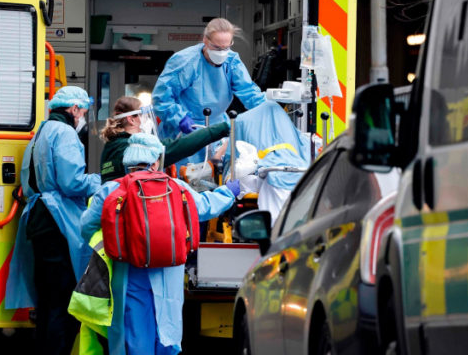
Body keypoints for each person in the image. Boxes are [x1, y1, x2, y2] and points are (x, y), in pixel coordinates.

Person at [81, 133, 241, 354]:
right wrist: (228, 192)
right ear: (156, 161)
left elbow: (86, 226)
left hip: (128, 271)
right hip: (168, 269)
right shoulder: (175, 186)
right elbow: (204, 207)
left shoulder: (111, 190)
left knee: (134, 332)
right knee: (167, 326)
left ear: (127, 160)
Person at [5, 86, 103, 355]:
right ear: (74, 109)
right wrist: (102, 182)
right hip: (57, 222)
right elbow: (72, 182)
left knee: (47, 303)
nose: (83, 117)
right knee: (63, 303)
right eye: (83, 112)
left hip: (38, 220)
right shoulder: (65, 133)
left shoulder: (40, 132)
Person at [152, 18, 266, 165]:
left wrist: (267, 110)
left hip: (217, 126)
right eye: (217, 48)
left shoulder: (231, 61)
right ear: (205, 41)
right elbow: (161, 98)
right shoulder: (185, 62)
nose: (222, 53)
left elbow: (249, 92)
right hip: (186, 129)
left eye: (226, 48)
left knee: (220, 171)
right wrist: (179, 118)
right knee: (187, 174)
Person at [100, 96, 231, 182]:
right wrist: (223, 128)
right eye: (143, 115)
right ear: (131, 120)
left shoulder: (111, 146)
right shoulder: (133, 147)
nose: (147, 120)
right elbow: (180, 146)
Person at [221, 100, 311, 223]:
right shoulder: (288, 127)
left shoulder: (241, 122)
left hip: (270, 176)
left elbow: (228, 159)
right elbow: (308, 148)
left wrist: (227, 177)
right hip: (299, 174)